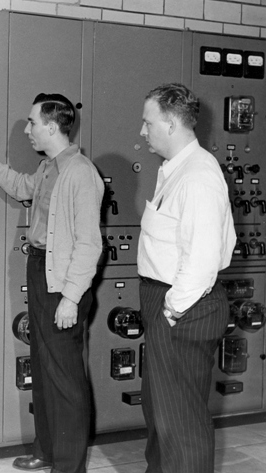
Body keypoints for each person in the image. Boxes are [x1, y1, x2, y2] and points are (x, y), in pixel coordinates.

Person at [0, 93, 104, 473]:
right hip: (41, 271)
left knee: (66, 378)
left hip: (64, 282)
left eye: (32, 123)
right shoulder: (47, 169)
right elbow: (21, 186)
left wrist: (71, 297)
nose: (27, 130)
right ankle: (47, 451)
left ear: (52, 127)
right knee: (43, 369)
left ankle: (69, 465)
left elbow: (90, 243)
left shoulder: (80, 172)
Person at [137, 83, 237, 473]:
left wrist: (171, 311)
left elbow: (202, 260)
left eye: (148, 123)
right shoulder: (174, 170)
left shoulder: (198, 176)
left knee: (181, 424)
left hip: (183, 307)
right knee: (162, 416)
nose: (142, 131)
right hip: (167, 303)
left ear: (172, 124)